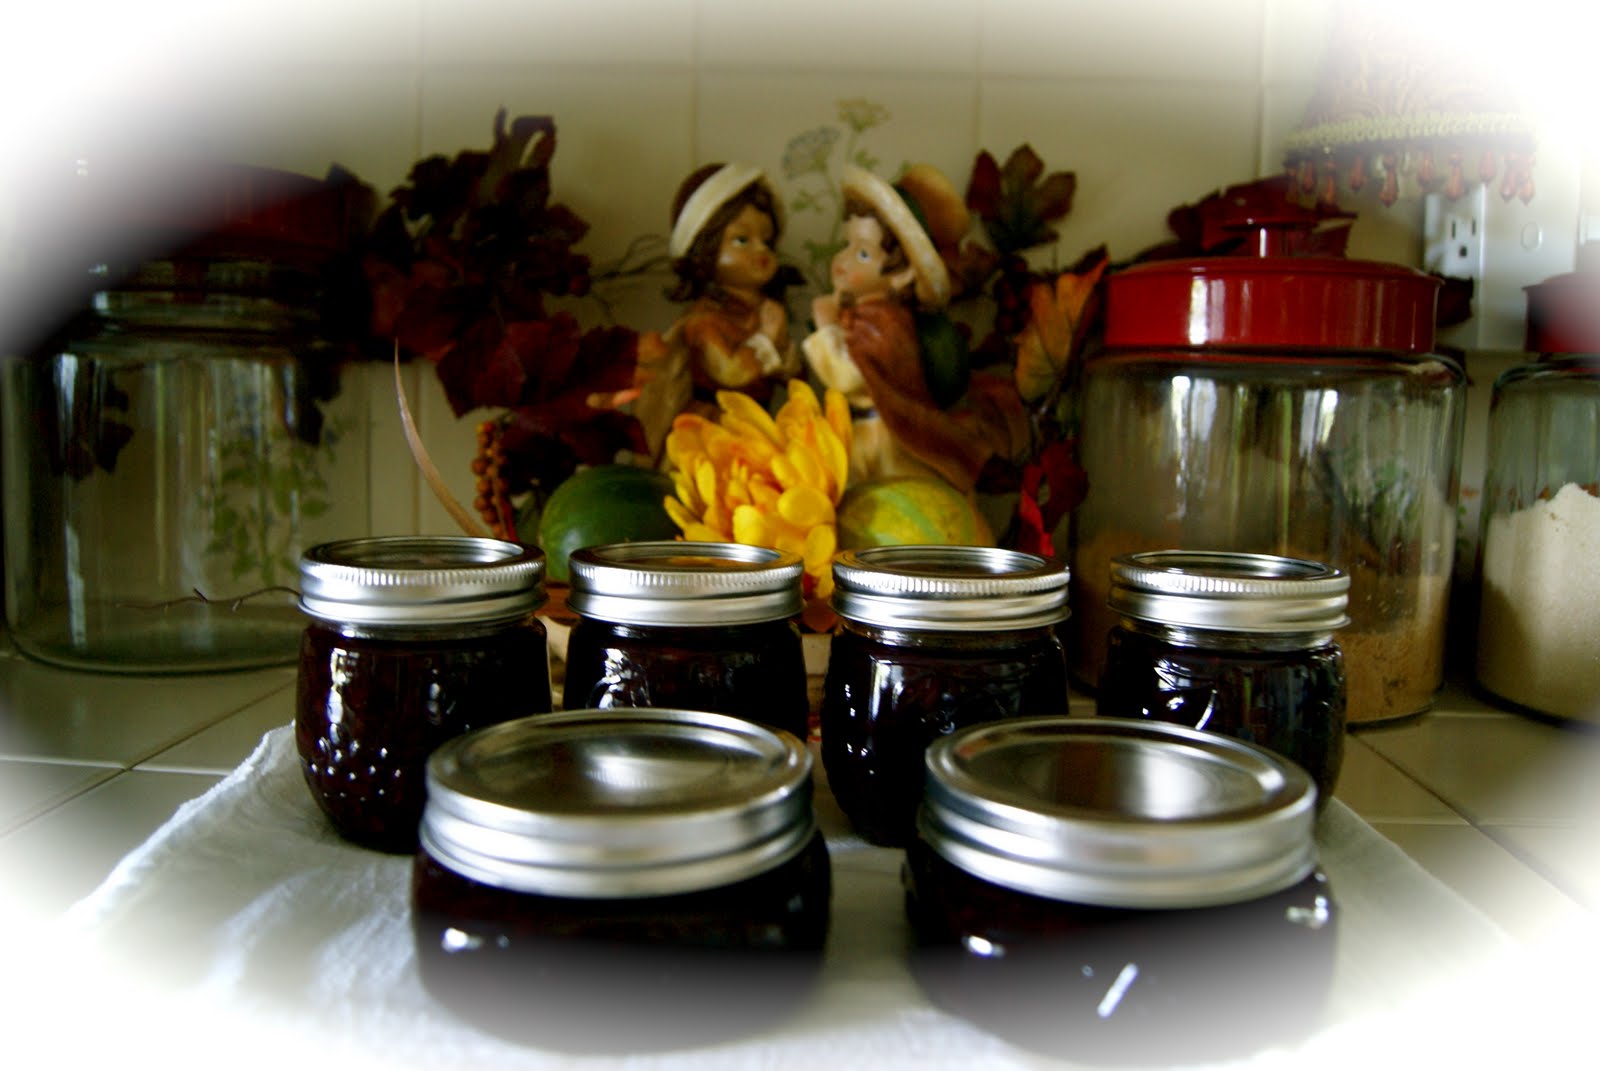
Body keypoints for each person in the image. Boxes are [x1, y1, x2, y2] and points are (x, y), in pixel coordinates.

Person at [803, 164, 1024, 495]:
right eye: (846, 244)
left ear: (902, 274)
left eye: (862, 253)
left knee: (890, 497)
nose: (842, 260)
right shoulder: (861, 315)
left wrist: (825, 329)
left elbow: (851, 377)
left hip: (887, 436)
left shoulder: (887, 322)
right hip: (856, 432)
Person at [633, 163, 800, 458]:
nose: (761, 250)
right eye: (742, 240)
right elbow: (731, 372)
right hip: (713, 431)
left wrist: (785, 352)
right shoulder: (703, 320)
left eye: (767, 241)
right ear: (705, 251)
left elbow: (791, 376)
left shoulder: (762, 312)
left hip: (755, 424)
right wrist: (767, 340)